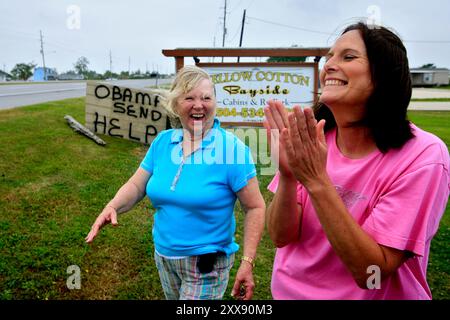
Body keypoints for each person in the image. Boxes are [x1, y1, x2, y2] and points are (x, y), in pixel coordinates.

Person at [264, 22, 449, 300]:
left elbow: (371, 273)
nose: (330, 66)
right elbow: (281, 237)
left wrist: (316, 180)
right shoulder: (315, 137)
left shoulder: (423, 155)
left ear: (384, 75)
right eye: (330, 58)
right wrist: (289, 176)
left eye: (348, 57)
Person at [85, 65, 265, 300]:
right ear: (175, 104)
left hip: (206, 264)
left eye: (206, 98)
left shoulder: (232, 150)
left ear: (215, 103)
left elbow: (255, 206)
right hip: (164, 257)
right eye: (189, 97)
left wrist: (248, 261)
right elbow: (137, 185)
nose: (198, 105)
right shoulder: (163, 142)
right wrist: (112, 206)